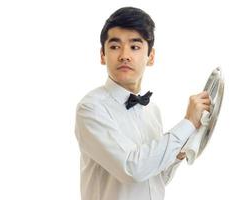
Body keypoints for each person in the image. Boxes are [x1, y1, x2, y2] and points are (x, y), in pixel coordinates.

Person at [74, 7, 211, 200]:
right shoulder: (91, 108)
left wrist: (178, 153)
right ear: (102, 55)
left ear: (151, 57)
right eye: (114, 46)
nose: (124, 55)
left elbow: (155, 178)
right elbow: (132, 168)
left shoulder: (152, 110)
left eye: (135, 47)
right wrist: (187, 122)